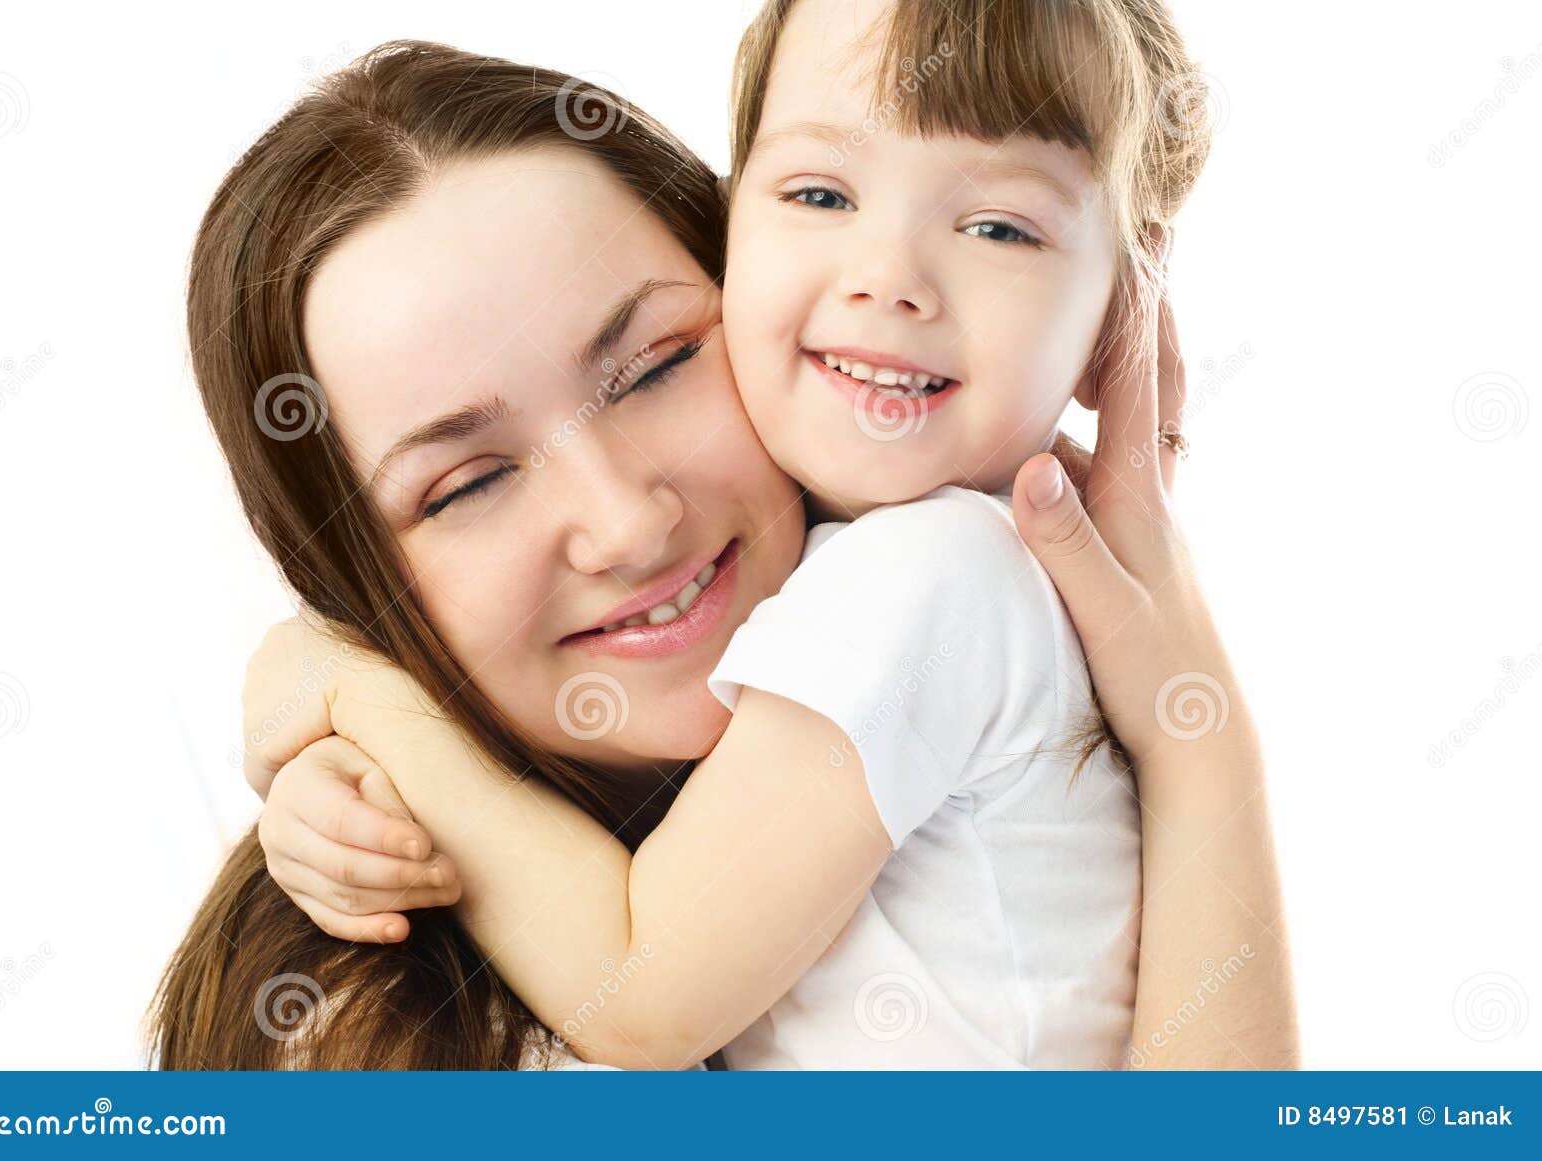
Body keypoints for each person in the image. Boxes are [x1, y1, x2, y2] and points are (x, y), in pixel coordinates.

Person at [151, 35, 1296, 1071]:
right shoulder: (381, 1025)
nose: (630, 522)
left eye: (655, 366)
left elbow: (643, 990)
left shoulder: (929, 583)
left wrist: (346, 691)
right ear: (352, 579)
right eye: (472, 482)